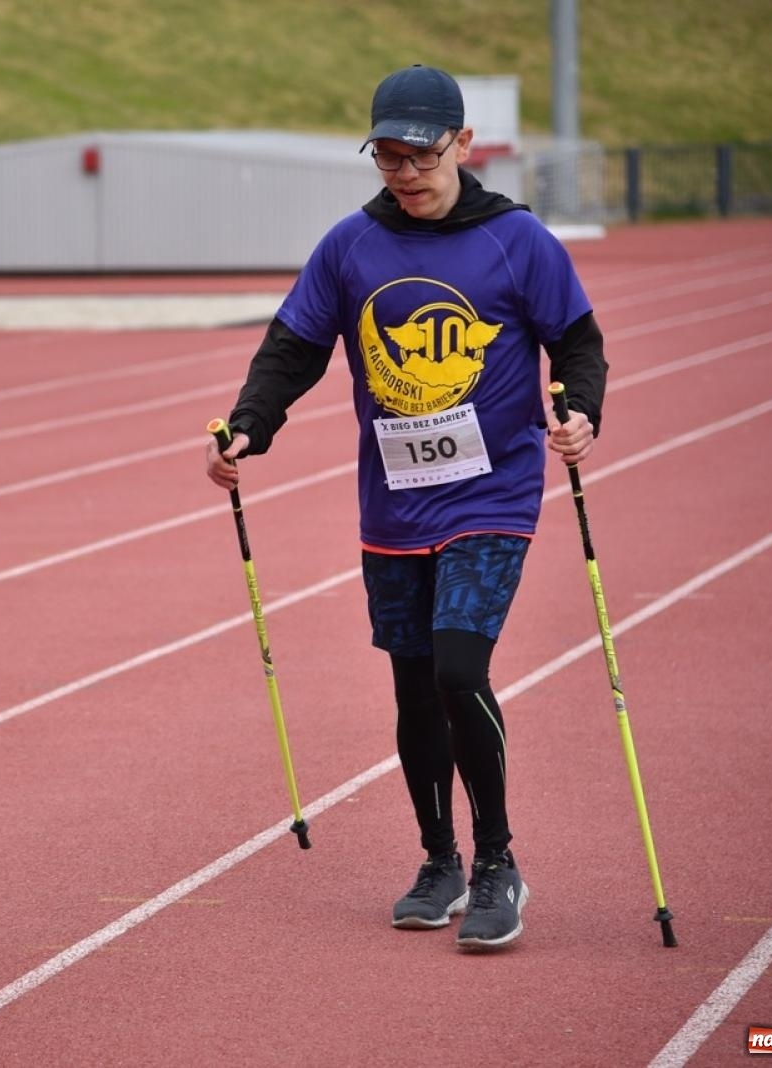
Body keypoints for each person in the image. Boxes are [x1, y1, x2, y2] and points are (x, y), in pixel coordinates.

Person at [206, 65, 606, 950]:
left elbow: (577, 341)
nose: (405, 172)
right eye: (387, 156)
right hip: (393, 502)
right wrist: (248, 425)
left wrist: (580, 409)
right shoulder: (350, 246)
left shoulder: (518, 241)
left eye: (420, 155)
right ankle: (440, 861)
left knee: (459, 670)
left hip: (493, 493)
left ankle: (498, 862)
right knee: (413, 685)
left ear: (464, 144)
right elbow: (293, 347)